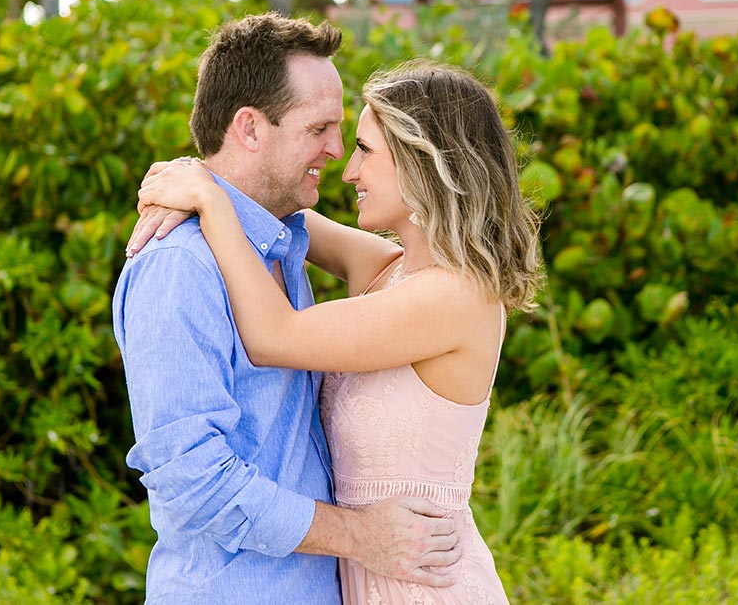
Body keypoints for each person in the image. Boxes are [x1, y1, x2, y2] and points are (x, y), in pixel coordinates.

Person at [128, 60, 544, 604]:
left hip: (420, 582)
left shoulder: (456, 297)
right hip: (365, 574)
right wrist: (198, 174)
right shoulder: (391, 271)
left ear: (425, 164)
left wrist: (205, 196)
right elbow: (265, 202)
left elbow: (274, 335)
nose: (347, 170)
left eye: (365, 150)